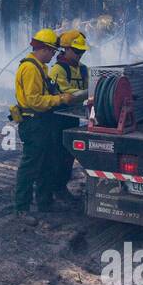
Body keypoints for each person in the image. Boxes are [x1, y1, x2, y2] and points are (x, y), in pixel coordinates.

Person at [11, 29, 80, 215]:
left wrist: (58, 94)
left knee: (46, 164)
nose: (54, 56)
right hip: (33, 123)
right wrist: (60, 100)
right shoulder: (30, 69)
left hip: (42, 122)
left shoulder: (40, 67)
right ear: (45, 49)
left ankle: (45, 202)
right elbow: (35, 101)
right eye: (53, 52)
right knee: (30, 166)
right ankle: (22, 209)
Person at [48, 29, 90, 202]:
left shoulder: (84, 69)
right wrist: (88, 93)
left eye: (82, 51)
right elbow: (65, 92)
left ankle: (61, 187)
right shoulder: (57, 70)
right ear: (66, 49)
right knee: (56, 154)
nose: (80, 54)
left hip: (73, 116)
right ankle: (52, 189)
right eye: (77, 51)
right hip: (56, 117)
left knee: (68, 154)